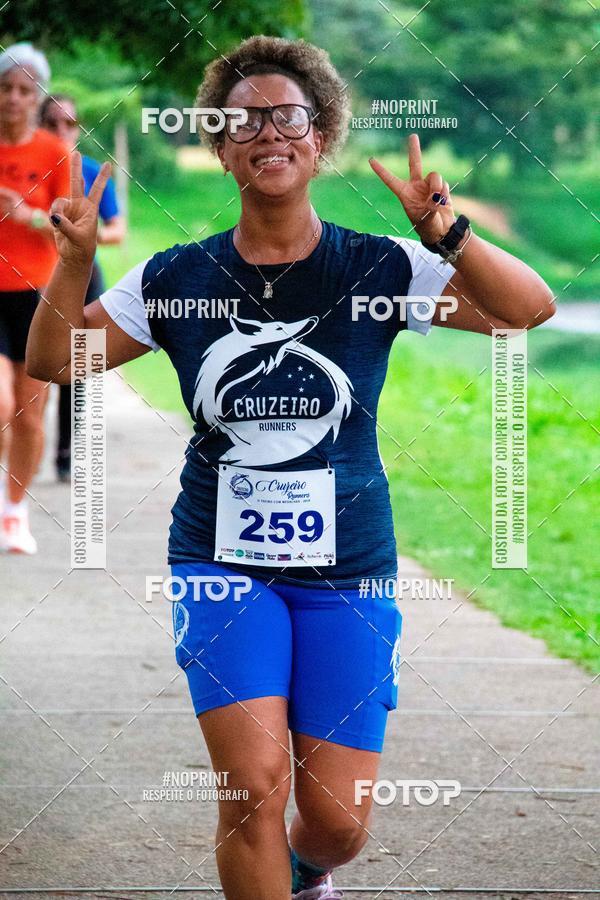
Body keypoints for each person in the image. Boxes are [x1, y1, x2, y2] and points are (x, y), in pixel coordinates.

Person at [27, 35, 555, 900]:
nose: (267, 132)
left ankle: (308, 873)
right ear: (219, 144)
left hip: (348, 568)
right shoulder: (176, 277)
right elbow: (58, 362)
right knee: (251, 795)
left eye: (289, 116)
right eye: (244, 121)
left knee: (340, 825)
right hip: (220, 563)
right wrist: (77, 261)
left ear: (320, 136)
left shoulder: (380, 265)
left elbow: (526, 311)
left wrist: (447, 232)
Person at [0, 43, 70, 554]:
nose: (13, 98)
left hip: (35, 293)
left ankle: (15, 512)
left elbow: (70, 228)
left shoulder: (54, 154)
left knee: (28, 413)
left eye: (25, 90)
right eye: (5, 88)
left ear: (37, 97)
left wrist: (23, 212)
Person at [40, 93, 126, 481]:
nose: (62, 130)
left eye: (69, 123)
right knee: (32, 368)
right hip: (33, 278)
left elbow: (117, 230)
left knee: (78, 370)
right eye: (53, 122)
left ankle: (65, 453)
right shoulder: (25, 170)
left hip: (85, 280)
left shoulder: (91, 171)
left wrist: (80, 235)